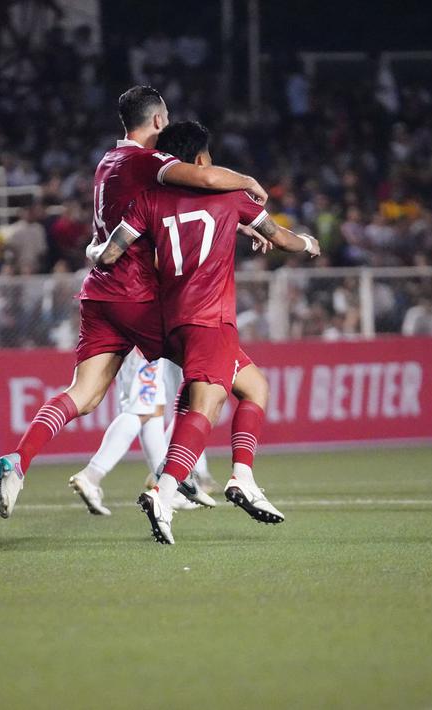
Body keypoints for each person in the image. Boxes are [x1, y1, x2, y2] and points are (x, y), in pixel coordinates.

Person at [0, 85, 268, 518]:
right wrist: (248, 185)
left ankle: (18, 461)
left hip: (98, 294)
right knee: (220, 370)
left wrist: (234, 223)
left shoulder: (107, 162)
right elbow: (208, 179)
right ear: (158, 121)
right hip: (136, 295)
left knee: (81, 395)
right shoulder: (150, 160)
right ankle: (176, 479)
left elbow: (177, 209)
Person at [92, 120, 320, 544]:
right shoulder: (231, 197)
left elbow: (110, 253)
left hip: (171, 320)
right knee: (207, 405)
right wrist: (307, 243)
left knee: (254, 387)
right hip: (210, 319)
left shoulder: (148, 200)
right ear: (199, 159)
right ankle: (164, 491)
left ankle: (242, 476)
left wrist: (96, 251)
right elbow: (282, 238)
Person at [67, 351, 216, 516]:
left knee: (153, 410)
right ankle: (92, 475)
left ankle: (167, 487)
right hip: (144, 341)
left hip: (149, 343)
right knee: (140, 411)